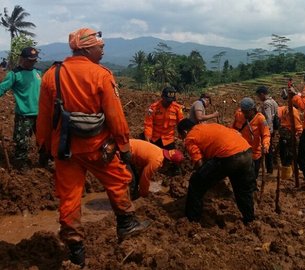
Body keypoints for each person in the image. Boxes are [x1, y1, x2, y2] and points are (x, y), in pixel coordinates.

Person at [36, 28, 150, 267]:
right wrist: (124, 144)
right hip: (98, 148)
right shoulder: (101, 75)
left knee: (69, 197)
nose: (103, 50)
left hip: (64, 149)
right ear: (87, 48)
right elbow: (115, 116)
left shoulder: (51, 75)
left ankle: (76, 251)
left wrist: (43, 146)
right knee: (119, 180)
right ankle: (126, 224)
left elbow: (44, 118)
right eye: (100, 46)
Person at [177, 119, 256, 224]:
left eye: (181, 136)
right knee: (242, 189)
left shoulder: (190, 137)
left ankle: (191, 219)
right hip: (246, 152)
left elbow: (199, 162)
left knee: (195, 183)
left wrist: (202, 176)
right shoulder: (211, 126)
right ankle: (249, 219)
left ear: (184, 132)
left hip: (229, 156)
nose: (183, 139)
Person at [0, 47, 46, 169]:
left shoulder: (38, 73)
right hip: (24, 115)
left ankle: (45, 161)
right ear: (22, 59)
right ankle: (21, 165)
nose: (32, 63)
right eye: (29, 60)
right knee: (22, 142)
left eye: (34, 60)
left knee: (44, 140)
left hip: (40, 114)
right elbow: (2, 88)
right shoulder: (14, 74)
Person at [231, 97, 270, 176]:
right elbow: (233, 129)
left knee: (252, 176)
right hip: (241, 152)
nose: (245, 114)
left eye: (247, 112)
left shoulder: (260, 119)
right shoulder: (239, 115)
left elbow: (266, 134)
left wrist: (265, 145)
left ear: (253, 110)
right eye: (243, 112)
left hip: (254, 153)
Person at [277, 90, 302, 179]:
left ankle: (290, 174)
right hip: (289, 134)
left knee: (286, 155)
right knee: (289, 155)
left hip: (284, 133)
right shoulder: (293, 110)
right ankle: (287, 177)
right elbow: (298, 126)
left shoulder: (286, 108)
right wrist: (300, 133)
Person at [255, 85, 279, 174]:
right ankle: (269, 168)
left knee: (266, 149)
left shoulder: (266, 103)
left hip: (268, 129)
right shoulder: (273, 101)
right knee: (269, 148)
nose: (258, 98)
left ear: (262, 94)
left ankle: (269, 169)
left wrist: (266, 129)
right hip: (272, 129)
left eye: (258, 96)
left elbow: (268, 118)